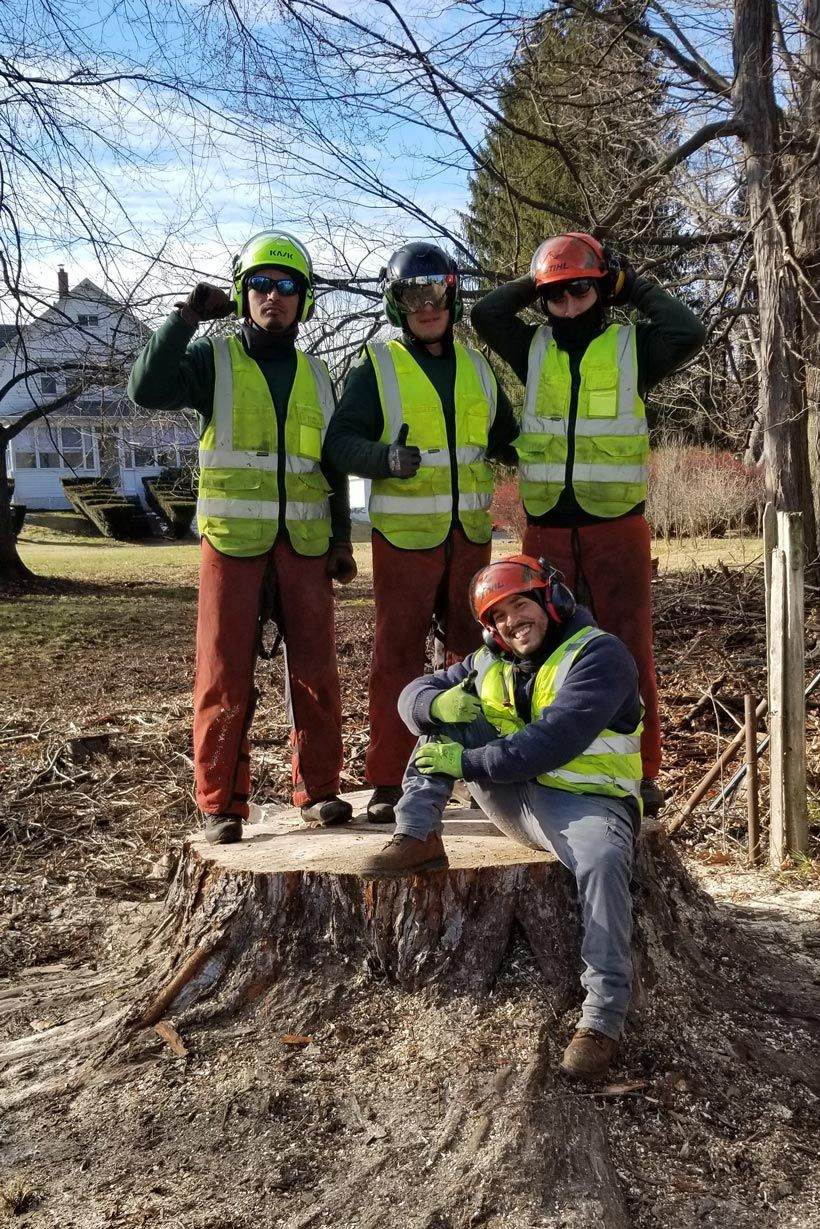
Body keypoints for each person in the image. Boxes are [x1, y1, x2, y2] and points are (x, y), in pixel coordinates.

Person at [360, 555, 643, 1084]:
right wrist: (434, 709)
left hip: (587, 803)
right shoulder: (489, 658)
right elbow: (411, 693)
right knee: (449, 710)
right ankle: (417, 832)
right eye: (498, 616)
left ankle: (602, 1019)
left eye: (520, 604)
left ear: (551, 600)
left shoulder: (600, 656)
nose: (512, 621)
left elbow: (551, 741)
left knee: (604, 863)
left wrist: (466, 764)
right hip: (513, 798)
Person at [128, 229, 356, 845]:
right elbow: (144, 389)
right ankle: (221, 803)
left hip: (305, 546)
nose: (272, 297)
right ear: (241, 293)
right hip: (232, 544)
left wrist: (342, 540)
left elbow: (331, 462)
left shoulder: (319, 373)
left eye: (286, 287)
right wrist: (185, 320)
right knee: (224, 672)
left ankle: (319, 790)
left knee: (316, 672)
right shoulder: (213, 360)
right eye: (259, 285)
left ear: (303, 300)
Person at [470, 233, 706, 815]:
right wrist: (542, 273)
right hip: (546, 527)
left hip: (617, 526)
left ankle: (640, 770)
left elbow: (689, 332)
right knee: (537, 649)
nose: (568, 303)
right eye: (556, 295)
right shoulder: (532, 347)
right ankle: (541, 762)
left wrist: (631, 283)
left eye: (581, 289)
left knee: (628, 648)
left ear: (602, 290)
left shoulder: (634, 348)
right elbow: (485, 311)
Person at [324, 241, 518, 824]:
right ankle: (388, 780)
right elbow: (337, 443)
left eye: (436, 293)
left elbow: (507, 434)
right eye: (413, 296)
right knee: (397, 656)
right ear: (395, 304)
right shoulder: (376, 366)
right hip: (405, 538)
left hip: (469, 537)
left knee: (481, 654)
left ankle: (478, 772)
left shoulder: (478, 367)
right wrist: (385, 458)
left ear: (453, 297)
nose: (427, 306)